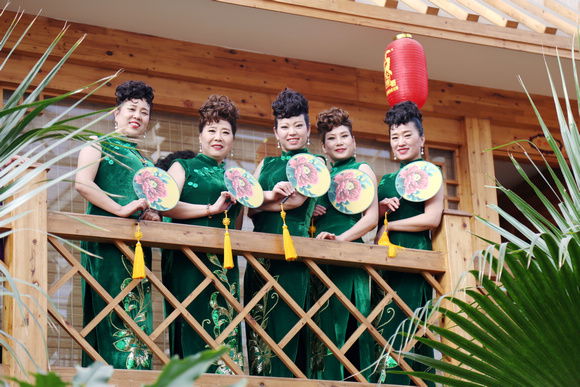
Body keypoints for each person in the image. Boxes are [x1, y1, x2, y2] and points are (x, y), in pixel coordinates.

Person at [75, 80, 160, 369]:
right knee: (108, 316)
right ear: (116, 112)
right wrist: (121, 209)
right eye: (131, 109)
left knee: (138, 319)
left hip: (136, 250)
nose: (138, 115)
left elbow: (153, 206)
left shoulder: (147, 163)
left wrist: (151, 215)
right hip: (106, 245)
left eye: (144, 112)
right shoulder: (97, 145)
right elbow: (82, 184)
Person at [161, 94, 243, 374]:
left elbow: (238, 227)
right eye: (211, 130)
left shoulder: (237, 177)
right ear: (200, 136)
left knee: (224, 332)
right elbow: (166, 204)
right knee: (190, 328)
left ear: (232, 139)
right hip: (187, 262)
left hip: (223, 265)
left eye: (225, 132)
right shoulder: (182, 167)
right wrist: (210, 209)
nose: (218, 137)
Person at [245, 88, 317, 377]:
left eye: (298, 125)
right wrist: (270, 196)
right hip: (262, 254)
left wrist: (262, 199)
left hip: (293, 256)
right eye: (284, 126)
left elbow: (296, 201)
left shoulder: (314, 163)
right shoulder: (265, 164)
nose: (292, 132)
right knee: (259, 328)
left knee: (290, 326)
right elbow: (248, 208)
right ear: (275, 132)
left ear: (308, 129)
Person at [372, 100, 443, 385]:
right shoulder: (385, 180)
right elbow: (374, 225)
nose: (400, 142)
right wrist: (379, 212)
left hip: (415, 260)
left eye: (407, 135)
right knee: (383, 327)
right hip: (385, 264)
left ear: (422, 139)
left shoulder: (430, 172)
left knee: (409, 332)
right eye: (394, 137)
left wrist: (392, 224)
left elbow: (432, 218)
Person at [310, 107, 378, 380]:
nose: (339, 142)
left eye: (344, 136)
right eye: (332, 138)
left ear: (354, 141)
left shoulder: (362, 169)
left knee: (351, 328)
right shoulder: (321, 179)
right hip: (321, 260)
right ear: (323, 146)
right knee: (323, 330)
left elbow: (371, 218)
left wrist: (340, 240)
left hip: (349, 255)